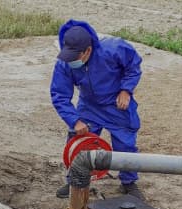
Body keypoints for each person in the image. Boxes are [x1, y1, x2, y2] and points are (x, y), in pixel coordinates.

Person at [50, 20, 144, 199]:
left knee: (125, 145)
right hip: (89, 105)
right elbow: (59, 94)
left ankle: (128, 183)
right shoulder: (64, 62)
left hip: (116, 104)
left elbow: (133, 66)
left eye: (75, 57)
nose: (71, 61)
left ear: (88, 51)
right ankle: (75, 180)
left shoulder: (114, 48)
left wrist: (126, 90)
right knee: (79, 142)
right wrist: (74, 120)